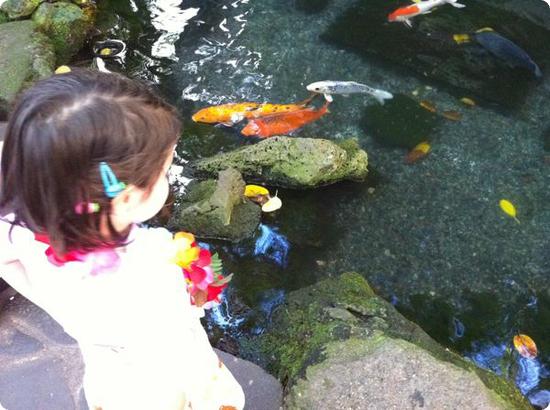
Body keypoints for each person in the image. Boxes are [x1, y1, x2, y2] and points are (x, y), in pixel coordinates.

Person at [0, 68, 245, 410]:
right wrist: (198, 290)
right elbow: (172, 341)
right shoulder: (151, 265)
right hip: (156, 382)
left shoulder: (20, 228)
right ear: (128, 199)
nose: (167, 178)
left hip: (107, 369)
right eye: (163, 171)